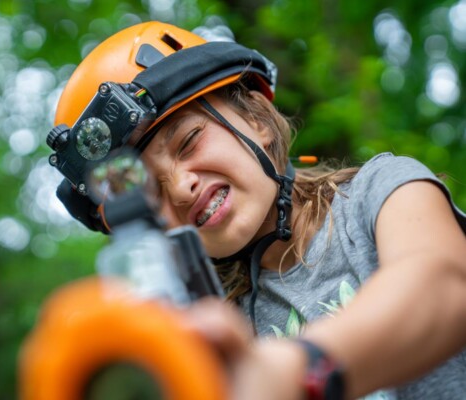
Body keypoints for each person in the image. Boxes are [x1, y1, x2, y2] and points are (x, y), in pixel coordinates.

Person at [52, 21, 466, 400]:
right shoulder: (212, 332)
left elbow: (445, 286)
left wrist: (294, 369)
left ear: (256, 119)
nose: (180, 188)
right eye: (148, 192)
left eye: (189, 140)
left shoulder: (380, 193)